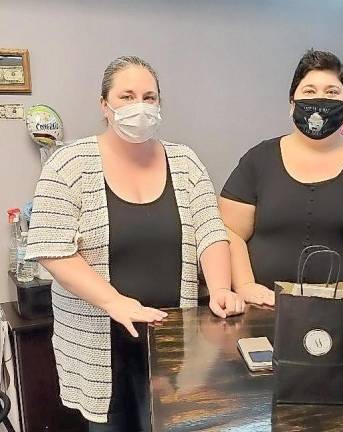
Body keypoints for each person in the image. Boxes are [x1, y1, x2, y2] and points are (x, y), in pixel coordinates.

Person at [25, 56, 245, 431]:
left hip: (171, 342)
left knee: (171, 422)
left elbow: (211, 230)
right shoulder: (68, 164)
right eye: (126, 96)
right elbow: (52, 249)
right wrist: (115, 302)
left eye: (149, 96)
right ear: (104, 105)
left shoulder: (185, 161)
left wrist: (222, 287)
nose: (138, 106)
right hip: (100, 345)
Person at [219, 49, 343, 308]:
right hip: (266, 310)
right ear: (292, 103)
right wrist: (244, 286)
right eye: (309, 91)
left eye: (332, 92)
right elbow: (229, 230)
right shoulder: (259, 159)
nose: (320, 99)